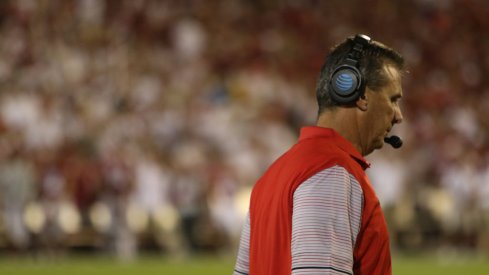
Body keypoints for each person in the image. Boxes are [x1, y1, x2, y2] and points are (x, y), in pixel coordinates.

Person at [233, 34, 405, 275]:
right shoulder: (331, 172)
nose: (398, 115)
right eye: (392, 99)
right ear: (360, 93)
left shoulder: (271, 176)